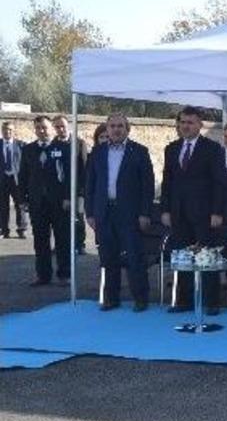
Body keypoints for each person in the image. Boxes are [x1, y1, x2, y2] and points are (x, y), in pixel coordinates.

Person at [84, 114, 154, 311]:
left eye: (120, 126)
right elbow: (90, 184)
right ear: (107, 129)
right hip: (103, 213)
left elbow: (147, 187)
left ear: (128, 128)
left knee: (134, 257)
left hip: (130, 213)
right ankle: (111, 298)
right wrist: (89, 212)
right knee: (108, 258)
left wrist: (145, 213)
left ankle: (140, 298)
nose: (116, 129)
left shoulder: (139, 152)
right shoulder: (97, 152)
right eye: (112, 126)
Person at [160, 106, 226, 314]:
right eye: (183, 122)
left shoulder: (213, 149)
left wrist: (217, 211)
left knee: (206, 257)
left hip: (204, 213)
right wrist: (165, 210)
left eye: (191, 122)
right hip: (179, 213)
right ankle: (184, 301)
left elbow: (219, 183)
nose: (186, 126)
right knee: (183, 258)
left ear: (200, 125)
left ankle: (211, 302)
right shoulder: (171, 149)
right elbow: (167, 182)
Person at [19, 115, 72, 286]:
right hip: (36, 203)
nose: (42, 131)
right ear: (35, 130)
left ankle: (64, 275)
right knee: (40, 240)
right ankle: (43, 275)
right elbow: (23, 176)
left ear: (51, 128)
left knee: (62, 239)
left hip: (59, 203)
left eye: (45, 127)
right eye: (38, 128)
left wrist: (67, 197)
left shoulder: (62, 148)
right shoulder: (28, 150)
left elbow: (68, 177)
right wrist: (23, 199)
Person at [51, 116, 88, 254]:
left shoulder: (79, 143)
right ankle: (60, 244)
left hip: (77, 189)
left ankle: (80, 244)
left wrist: (82, 191)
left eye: (63, 126)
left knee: (77, 217)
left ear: (69, 126)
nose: (61, 129)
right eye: (57, 127)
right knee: (59, 219)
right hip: (58, 190)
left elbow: (84, 169)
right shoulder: (52, 145)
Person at [1, 121, 26, 239]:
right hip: (2, 179)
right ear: (2, 131)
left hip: (16, 179)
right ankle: (4, 230)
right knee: (2, 205)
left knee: (20, 204)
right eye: (5, 129)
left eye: (10, 130)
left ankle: (21, 229)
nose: (7, 132)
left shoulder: (21, 145)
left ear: (13, 131)